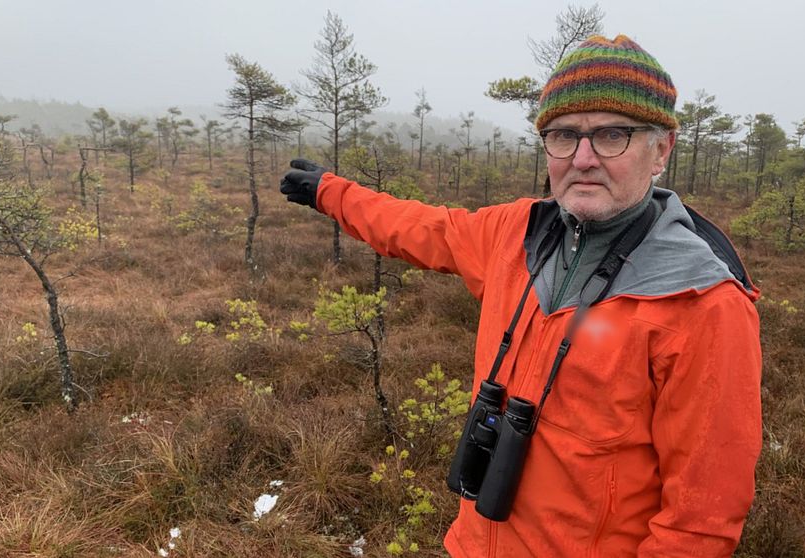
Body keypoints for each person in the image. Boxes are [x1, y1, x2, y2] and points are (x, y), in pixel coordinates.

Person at [281, 34, 761, 558]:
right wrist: (332, 192)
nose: (582, 159)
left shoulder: (703, 302)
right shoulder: (518, 234)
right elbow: (421, 227)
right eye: (563, 136)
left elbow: (700, 518)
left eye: (611, 136)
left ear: (661, 149)